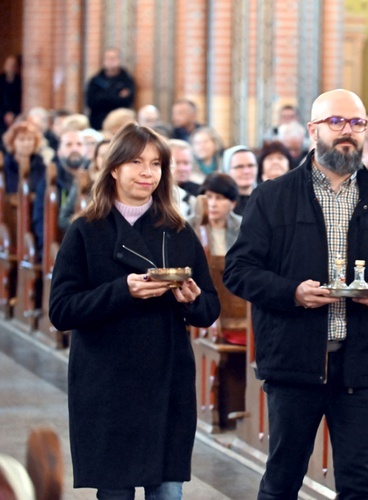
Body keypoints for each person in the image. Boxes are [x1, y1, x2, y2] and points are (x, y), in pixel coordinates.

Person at [223, 89, 368, 499]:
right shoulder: (273, 197)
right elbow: (238, 271)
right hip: (294, 362)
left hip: (360, 366)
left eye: (357, 123)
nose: (347, 131)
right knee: (282, 482)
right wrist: (293, 292)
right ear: (313, 130)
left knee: (360, 486)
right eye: (336, 122)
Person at [48, 122, 220, 497]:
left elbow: (209, 308)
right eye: (137, 162)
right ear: (114, 168)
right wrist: (123, 291)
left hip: (166, 381)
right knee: (116, 493)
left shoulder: (177, 230)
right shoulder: (86, 231)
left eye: (156, 164)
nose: (147, 173)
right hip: (108, 384)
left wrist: (191, 300)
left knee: (167, 492)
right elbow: (61, 310)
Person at [59, 139, 111, 233]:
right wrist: (82, 230)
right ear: (95, 159)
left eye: (111, 156)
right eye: (103, 156)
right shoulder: (84, 181)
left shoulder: (125, 184)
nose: (107, 160)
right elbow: (64, 218)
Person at [190, 173, 242, 256]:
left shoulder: (242, 226)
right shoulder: (189, 225)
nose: (212, 204)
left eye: (219, 198)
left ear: (233, 204)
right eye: (209, 196)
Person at [84, 48, 135, 130]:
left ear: (119, 60)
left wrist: (104, 97)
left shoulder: (126, 80)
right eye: (108, 58)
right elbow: (91, 102)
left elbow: (127, 101)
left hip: (119, 123)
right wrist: (116, 96)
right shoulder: (95, 80)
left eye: (113, 58)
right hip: (98, 122)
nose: (111, 61)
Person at [1, 121, 46, 195]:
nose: (26, 144)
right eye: (21, 139)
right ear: (12, 142)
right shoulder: (4, 166)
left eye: (30, 139)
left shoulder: (41, 166)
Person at [221, 145, 257, 215]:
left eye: (251, 165)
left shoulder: (266, 199)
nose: (246, 171)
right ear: (227, 170)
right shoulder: (220, 203)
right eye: (239, 167)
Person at [0, 55, 21, 134]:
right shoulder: (1, 80)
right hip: (2, 115)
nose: (11, 67)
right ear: (5, 66)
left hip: (16, 115)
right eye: (9, 65)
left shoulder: (20, 82)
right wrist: (5, 114)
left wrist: (14, 114)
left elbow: (20, 100)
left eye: (13, 65)